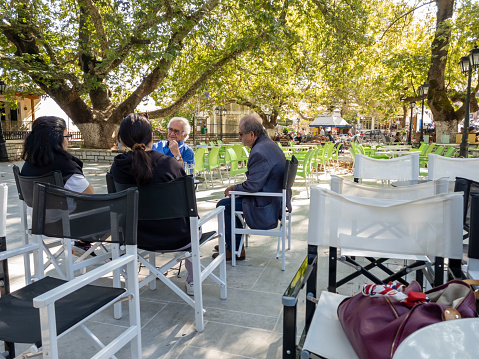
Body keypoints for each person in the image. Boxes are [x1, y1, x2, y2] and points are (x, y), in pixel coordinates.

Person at [110, 113, 197, 295]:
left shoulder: (117, 167)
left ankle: (129, 282)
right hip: (176, 237)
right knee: (196, 221)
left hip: (134, 237)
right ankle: (192, 281)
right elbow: (188, 202)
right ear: (151, 137)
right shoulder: (169, 164)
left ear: (123, 140)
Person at [214, 115, 286, 260]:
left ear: (251, 134)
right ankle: (232, 242)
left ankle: (234, 249)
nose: (239, 138)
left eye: (241, 134)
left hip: (266, 204)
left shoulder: (259, 152)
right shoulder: (268, 145)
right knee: (232, 202)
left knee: (224, 205)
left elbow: (252, 186)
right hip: (274, 199)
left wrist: (234, 188)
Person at [20, 116, 95, 256]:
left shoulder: (27, 165)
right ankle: (118, 254)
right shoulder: (65, 165)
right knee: (114, 210)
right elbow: (91, 196)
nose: (68, 140)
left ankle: (83, 244)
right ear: (58, 138)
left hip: (39, 223)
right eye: (67, 136)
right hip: (65, 225)